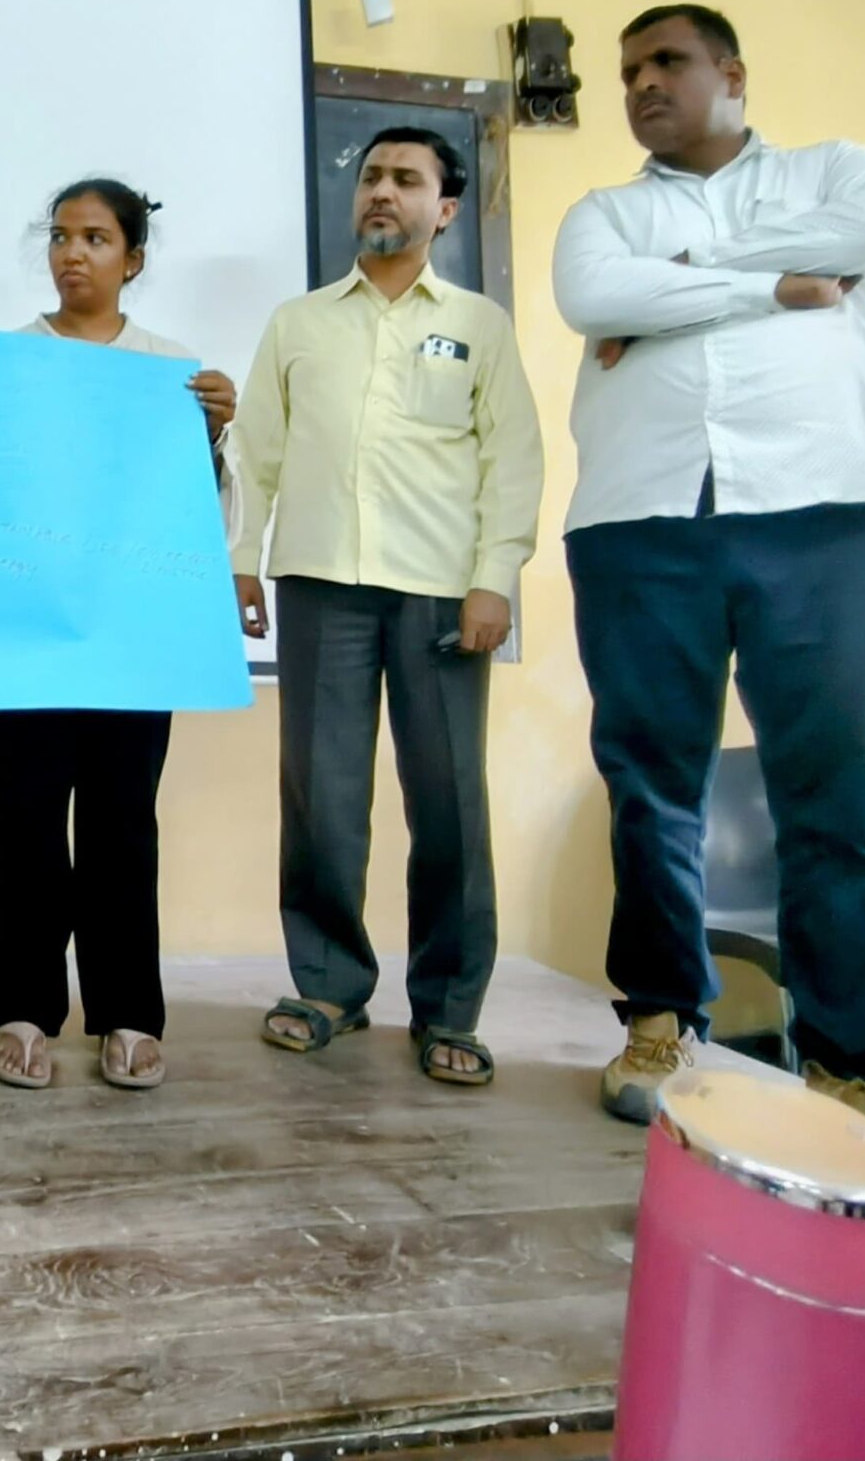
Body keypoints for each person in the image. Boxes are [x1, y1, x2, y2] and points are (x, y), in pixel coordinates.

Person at [554, 4, 865, 1179]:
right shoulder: (603, 216)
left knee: (829, 800)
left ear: (730, 73)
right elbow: (591, 298)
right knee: (649, 789)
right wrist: (777, 283)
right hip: (639, 520)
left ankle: (850, 1071)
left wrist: (677, 280)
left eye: (666, 62)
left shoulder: (834, 172)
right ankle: (660, 1022)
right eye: (628, 70)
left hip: (821, 513)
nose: (642, 84)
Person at [230, 127, 541, 1088]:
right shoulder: (300, 323)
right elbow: (256, 451)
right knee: (321, 798)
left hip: (442, 591)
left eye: (406, 180)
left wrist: (495, 576)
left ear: (444, 210)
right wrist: (242, 561)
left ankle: (449, 1007)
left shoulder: (480, 325)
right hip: (320, 581)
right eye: (371, 176)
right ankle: (329, 986)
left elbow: (512, 458)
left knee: (448, 804)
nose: (381, 192)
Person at [0, 180, 235, 1094]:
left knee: (123, 821)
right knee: (26, 820)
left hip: (133, 636)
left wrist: (211, 438)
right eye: (60, 236)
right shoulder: (6, 362)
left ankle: (129, 1011)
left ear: (133, 259)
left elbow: (197, 517)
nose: (72, 253)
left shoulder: (170, 372)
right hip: (27, 629)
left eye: (95, 237)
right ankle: (22, 1010)